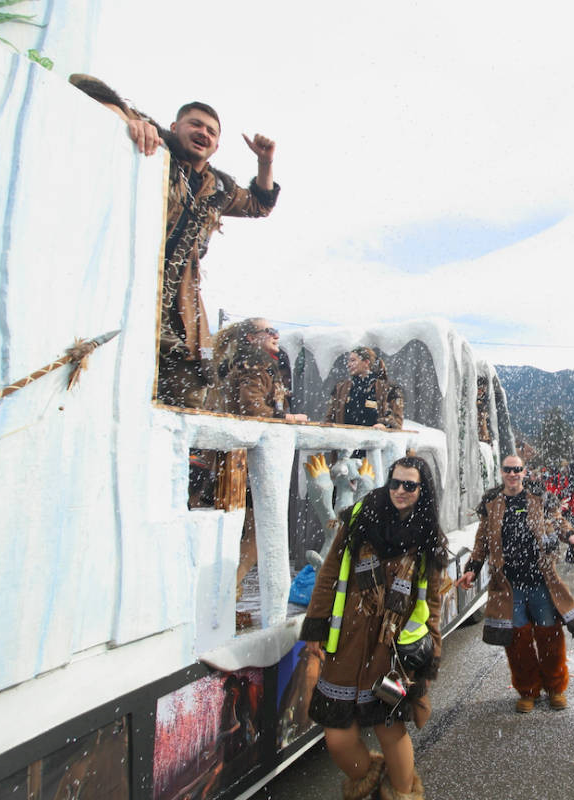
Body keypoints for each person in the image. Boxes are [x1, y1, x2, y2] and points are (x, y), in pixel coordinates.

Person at [300, 456, 447, 800]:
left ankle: (401, 793)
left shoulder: (427, 537)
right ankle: (369, 776)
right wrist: (316, 628)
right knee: (337, 736)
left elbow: (432, 604)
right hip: (347, 644)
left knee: (389, 728)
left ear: (422, 490)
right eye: (395, 482)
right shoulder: (361, 518)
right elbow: (329, 574)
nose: (400, 490)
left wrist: (430, 659)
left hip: (391, 654)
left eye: (409, 485)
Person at [155, 102, 280, 409]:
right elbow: (88, 90)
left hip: (182, 296)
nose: (203, 133)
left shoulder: (219, 187)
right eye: (195, 124)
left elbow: (259, 205)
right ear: (174, 128)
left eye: (211, 131)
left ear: (217, 145)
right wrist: (134, 125)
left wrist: (265, 162)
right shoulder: (153, 154)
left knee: (192, 381)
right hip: (139, 281)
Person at [455, 454, 574, 713]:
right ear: (502, 472)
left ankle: (555, 688)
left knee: (549, 635)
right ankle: (528, 690)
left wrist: (571, 536)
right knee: (518, 641)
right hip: (508, 585)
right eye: (508, 469)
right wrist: (472, 569)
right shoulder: (492, 504)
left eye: (517, 469)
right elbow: (482, 541)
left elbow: (558, 521)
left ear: (524, 472)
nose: (512, 474)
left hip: (541, 581)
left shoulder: (539, 498)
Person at [214, 318, 308, 592]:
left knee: (246, 531)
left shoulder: (255, 363)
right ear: (251, 338)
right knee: (258, 533)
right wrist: (285, 417)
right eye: (270, 331)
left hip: (238, 460)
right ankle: (228, 590)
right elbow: (251, 406)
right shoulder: (254, 364)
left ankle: (230, 592)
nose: (276, 335)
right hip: (244, 462)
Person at [326, 347, 404, 430]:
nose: (348, 364)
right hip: (344, 437)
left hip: (375, 437)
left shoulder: (389, 389)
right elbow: (329, 419)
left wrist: (384, 426)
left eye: (353, 360)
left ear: (366, 362)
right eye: (348, 361)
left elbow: (397, 422)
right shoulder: (340, 388)